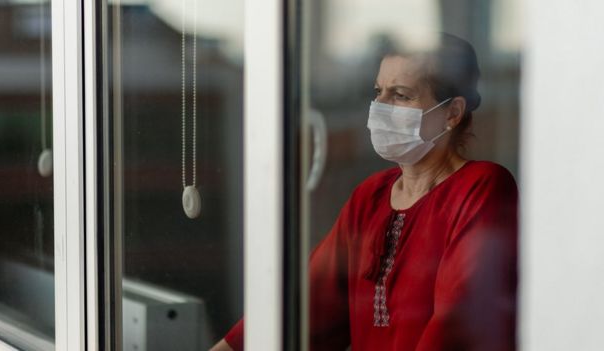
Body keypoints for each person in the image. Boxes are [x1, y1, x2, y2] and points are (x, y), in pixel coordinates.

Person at [212, 32, 518, 351]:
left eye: (400, 95)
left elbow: (457, 327)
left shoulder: (482, 187)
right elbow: (305, 306)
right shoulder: (370, 197)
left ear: (452, 113)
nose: (380, 106)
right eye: (378, 92)